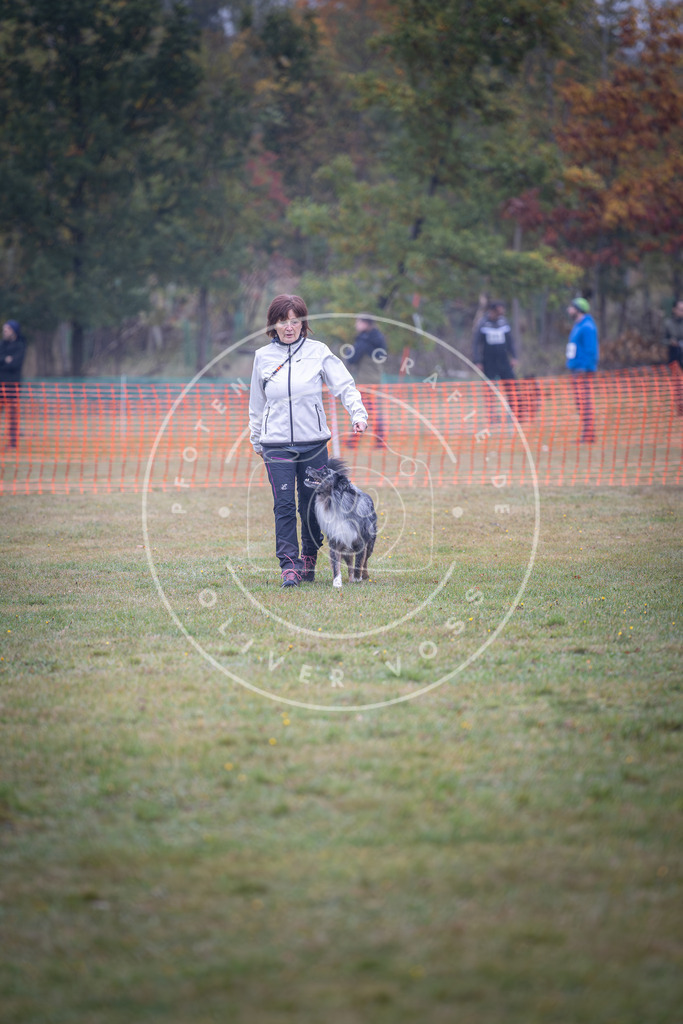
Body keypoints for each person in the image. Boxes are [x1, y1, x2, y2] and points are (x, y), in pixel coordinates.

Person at [249, 294, 368, 588]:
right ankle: (289, 566)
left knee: (312, 505)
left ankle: (309, 558)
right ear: (273, 325)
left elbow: (344, 384)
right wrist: (256, 437)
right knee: (285, 505)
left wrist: (358, 412)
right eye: (282, 321)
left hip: (313, 443)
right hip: (275, 445)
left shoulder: (319, 352)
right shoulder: (262, 357)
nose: (289, 327)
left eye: (295, 321)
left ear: (303, 324)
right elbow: (257, 402)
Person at [343, 315, 387, 445]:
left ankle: (355, 440)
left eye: (358, 322)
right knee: (370, 409)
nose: (356, 325)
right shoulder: (378, 337)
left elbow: (352, 358)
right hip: (375, 378)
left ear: (365, 324)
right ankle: (378, 439)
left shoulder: (364, 340)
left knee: (365, 409)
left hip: (366, 380)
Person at [473, 300, 518, 424]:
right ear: (493, 310)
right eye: (499, 310)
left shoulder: (504, 322)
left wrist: (514, 356)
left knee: (511, 385)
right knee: (490, 389)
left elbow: (510, 341)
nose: (501, 313)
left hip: (504, 361)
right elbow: (476, 343)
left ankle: (515, 413)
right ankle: (492, 415)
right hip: (488, 361)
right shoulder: (483, 323)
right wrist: (477, 360)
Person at [566, 296, 599, 443]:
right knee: (580, 402)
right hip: (575, 369)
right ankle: (586, 433)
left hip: (583, 370)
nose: (569, 309)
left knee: (585, 402)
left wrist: (584, 368)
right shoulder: (578, 325)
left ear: (578, 310)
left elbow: (591, 351)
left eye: (571, 307)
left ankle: (589, 435)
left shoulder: (587, 327)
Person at [0, 319, 26, 449]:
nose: (5, 332)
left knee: (12, 416)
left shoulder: (20, 346)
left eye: (7, 329)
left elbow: (15, 364)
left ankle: (12, 443)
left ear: (14, 331)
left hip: (12, 386)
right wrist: (6, 359)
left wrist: (4, 361)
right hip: (0, 385)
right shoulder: (2, 345)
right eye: (4, 329)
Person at [664, 298, 683, 415]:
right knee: (677, 383)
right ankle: (680, 408)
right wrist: (670, 341)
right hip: (674, 355)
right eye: (680, 309)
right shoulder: (668, 323)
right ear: (674, 310)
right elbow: (662, 339)